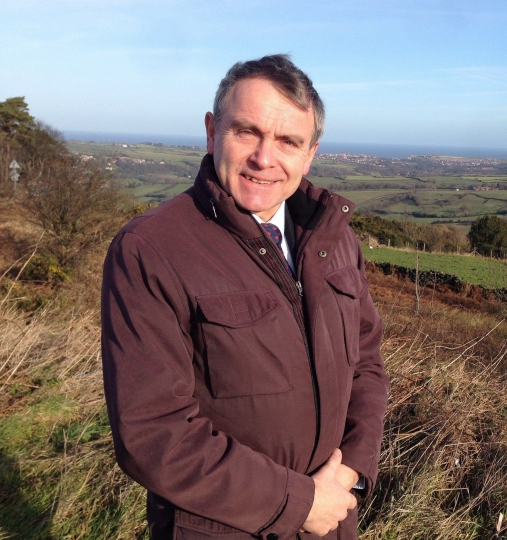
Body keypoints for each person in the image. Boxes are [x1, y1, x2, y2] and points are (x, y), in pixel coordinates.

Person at [101, 54, 389, 540]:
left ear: (310, 154)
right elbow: (153, 433)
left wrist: (350, 474)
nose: (264, 158)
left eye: (288, 141)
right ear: (213, 131)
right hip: (219, 529)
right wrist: (299, 503)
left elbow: (366, 363)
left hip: (332, 522)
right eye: (247, 132)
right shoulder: (152, 249)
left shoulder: (335, 239)